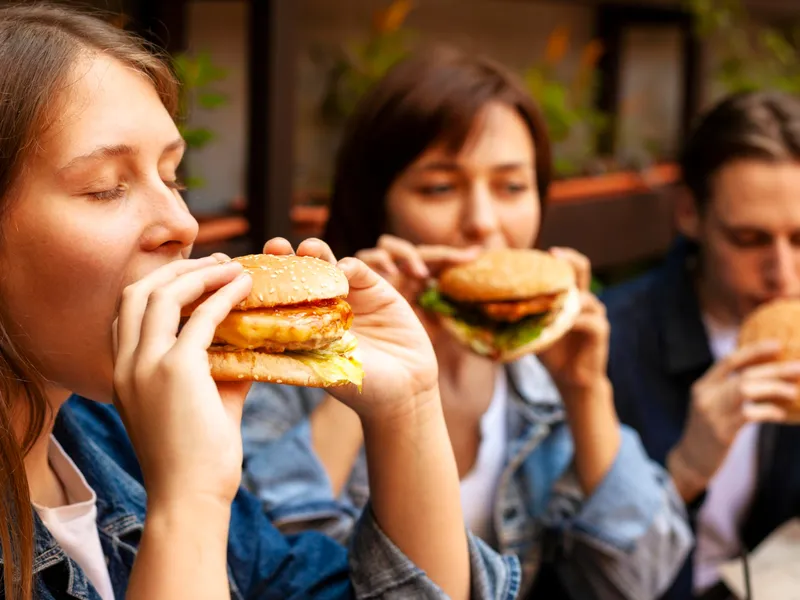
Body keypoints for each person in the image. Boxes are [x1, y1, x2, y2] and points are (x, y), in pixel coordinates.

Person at [0, 5, 520, 600]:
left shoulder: (117, 442)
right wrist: (189, 499)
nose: (182, 223)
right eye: (105, 188)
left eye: (173, 178)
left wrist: (407, 408)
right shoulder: (164, 457)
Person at [241, 46, 692, 600]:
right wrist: (355, 365)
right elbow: (266, 566)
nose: (482, 222)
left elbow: (640, 580)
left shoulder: (544, 379)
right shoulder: (287, 365)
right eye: (439, 188)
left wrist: (584, 392)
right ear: (377, 203)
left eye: (511, 187)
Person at [601, 90, 800, 600]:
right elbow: (587, 577)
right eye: (750, 240)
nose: (783, 273)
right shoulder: (608, 349)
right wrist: (685, 472)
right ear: (690, 213)